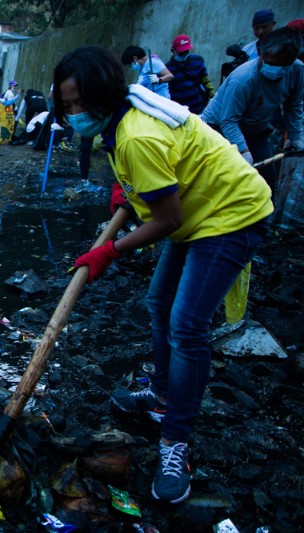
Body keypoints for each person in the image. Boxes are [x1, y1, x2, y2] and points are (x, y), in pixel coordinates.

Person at [55, 45, 273, 504]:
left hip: (229, 215)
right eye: (68, 105)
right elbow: (148, 183)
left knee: (187, 325)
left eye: (81, 104)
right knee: (159, 303)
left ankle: (176, 443)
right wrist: (125, 190)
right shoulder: (122, 117)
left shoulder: (136, 134)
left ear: (104, 93)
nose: (75, 114)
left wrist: (108, 252)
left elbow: (167, 220)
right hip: (198, 208)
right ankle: (159, 394)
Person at [202, 28, 304, 196]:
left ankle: (263, 218)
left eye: (278, 64)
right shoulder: (243, 79)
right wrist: (243, 150)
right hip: (219, 127)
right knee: (223, 179)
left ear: (291, 61)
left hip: (256, 129)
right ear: (262, 55)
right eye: (268, 62)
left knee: (266, 181)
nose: (273, 68)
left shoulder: (298, 71)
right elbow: (228, 120)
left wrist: (295, 137)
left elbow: (293, 105)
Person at [166, 35, 215, 114]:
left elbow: (205, 79)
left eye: (186, 51)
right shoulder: (167, 69)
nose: (184, 54)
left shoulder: (198, 60)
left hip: (200, 107)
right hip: (180, 110)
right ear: (173, 51)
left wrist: (212, 95)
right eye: (181, 52)